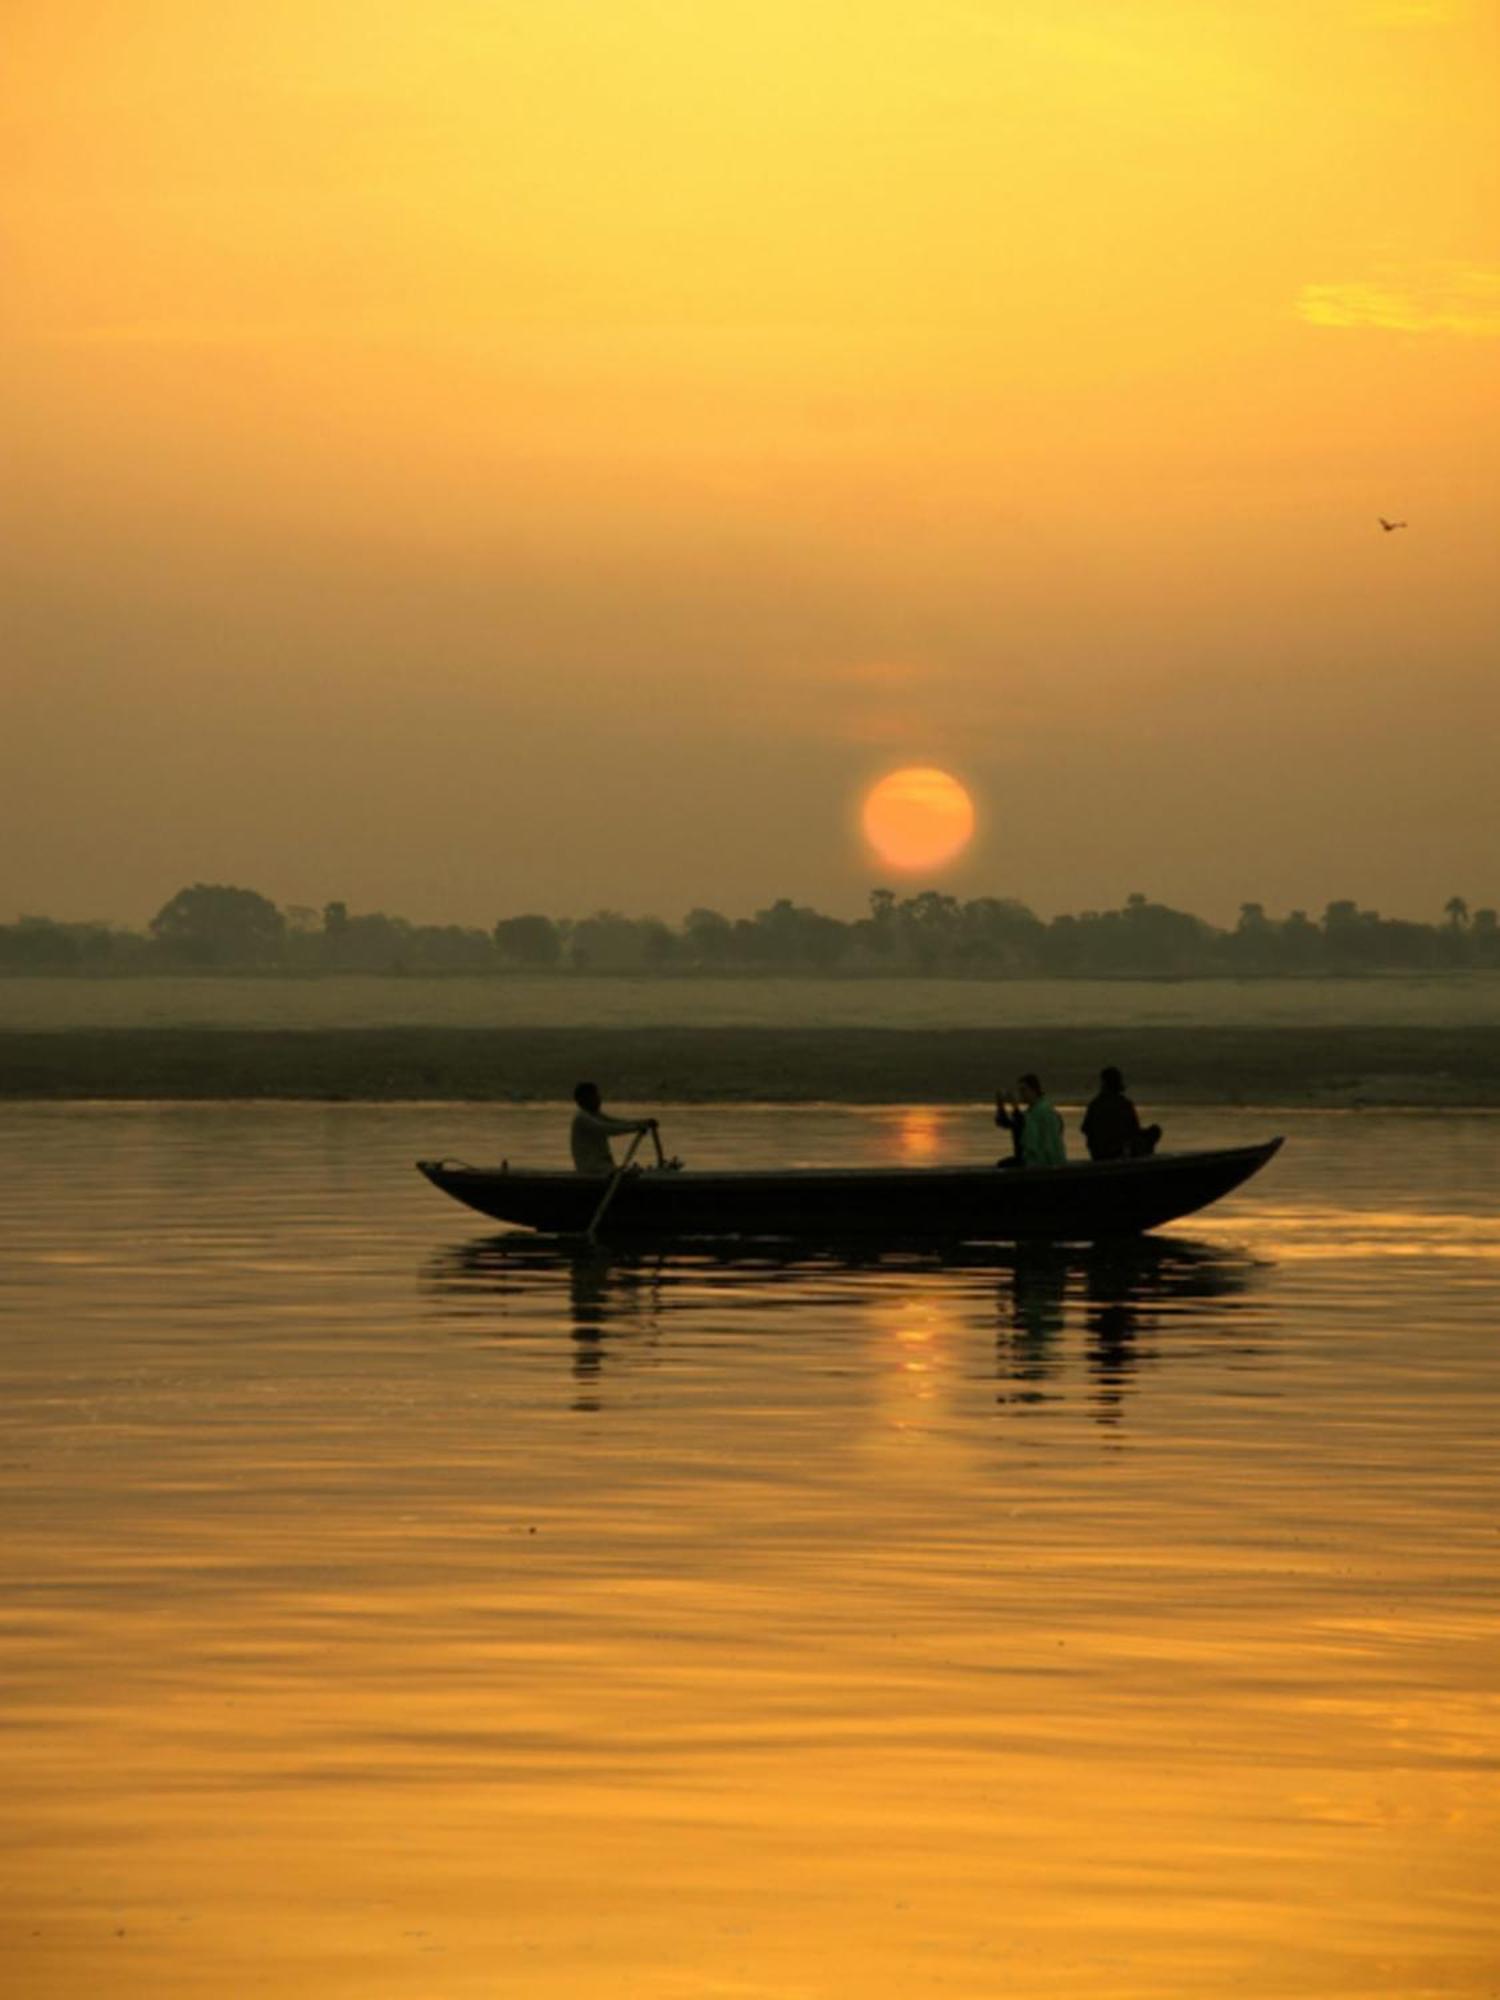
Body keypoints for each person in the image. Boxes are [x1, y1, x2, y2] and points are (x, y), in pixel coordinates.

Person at [569, 1081, 657, 1176]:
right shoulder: (582, 1118)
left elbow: (617, 1122)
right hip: (591, 1168)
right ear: (586, 1099)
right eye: (595, 1096)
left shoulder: (595, 1115)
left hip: (604, 1166)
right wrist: (636, 1128)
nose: (599, 1099)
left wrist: (643, 1122)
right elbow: (607, 1129)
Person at [1081, 1066, 1162, 1162]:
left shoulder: (1095, 1104)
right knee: (1153, 1131)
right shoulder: (1125, 1104)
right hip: (1118, 1151)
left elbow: (1085, 1128)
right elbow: (1133, 1129)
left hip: (1098, 1153)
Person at [996, 1072, 1066, 1168]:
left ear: (1034, 1090)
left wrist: (1015, 1107)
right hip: (1030, 1160)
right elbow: (1007, 1123)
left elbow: (1023, 1125)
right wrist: (1000, 1105)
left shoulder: (1043, 1111)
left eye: (1023, 1090)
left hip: (1041, 1162)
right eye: (1020, 1091)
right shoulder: (1031, 1112)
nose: (1021, 1094)